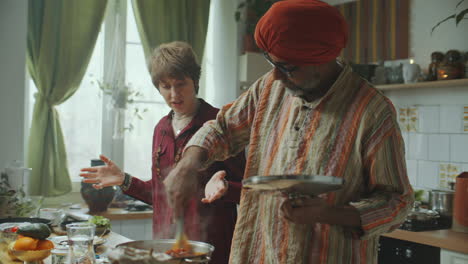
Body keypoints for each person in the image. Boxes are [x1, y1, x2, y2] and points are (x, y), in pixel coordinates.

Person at [163, 1, 414, 263]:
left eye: (288, 68)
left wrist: (328, 213)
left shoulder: (371, 111)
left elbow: (396, 203)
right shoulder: (270, 87)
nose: (278, 77)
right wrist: (187, 166)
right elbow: (222, 128)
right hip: (259, 254)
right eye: (272, 63)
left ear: (323, 59)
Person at [80, 41, 245, 264]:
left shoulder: (219, 124)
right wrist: (123, 180)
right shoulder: (161, 129)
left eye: (181, 84)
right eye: (166, 86)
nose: (174, 94)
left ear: (195, 81)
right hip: (165, 248)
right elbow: (159, 195)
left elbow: (250, 190)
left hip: (211, 250)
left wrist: (226, 188)